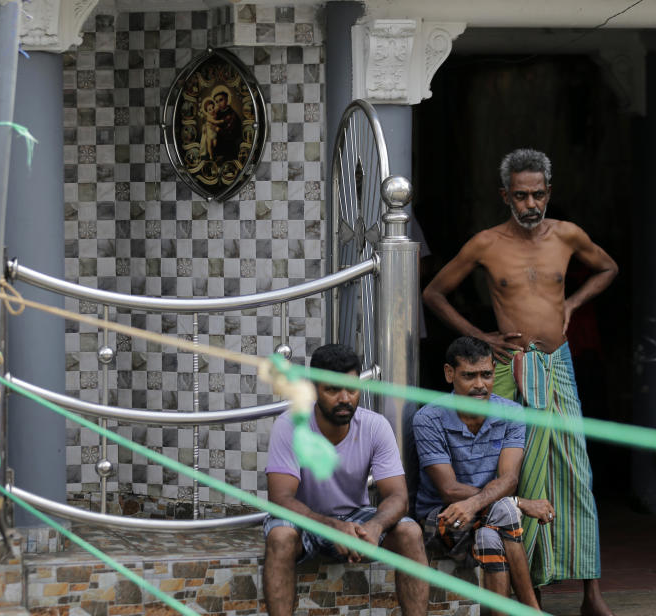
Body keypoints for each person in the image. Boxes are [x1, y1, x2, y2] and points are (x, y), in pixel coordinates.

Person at [422, 148, 618, 615]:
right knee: (516, 471)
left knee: (576, 473)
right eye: (522, 195)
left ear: (549, 193)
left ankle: (592, 594)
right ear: (505, 195)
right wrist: (481, 336)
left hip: (557, 365)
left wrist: (571, 304)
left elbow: (608, 268)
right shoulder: (485, 243)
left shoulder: (567, 235)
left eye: (538, 195)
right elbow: (434, 293)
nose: (531, 204)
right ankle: (532, 586)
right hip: (507, 368)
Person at [262, 344, 429, 616]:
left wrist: (375, 527)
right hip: (305, 520)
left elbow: (398, 496)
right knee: (280, 537)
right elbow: (280, 499)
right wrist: (331, 526)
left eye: (351, 389)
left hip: (355, 517)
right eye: (332, 389)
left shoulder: (375, 426)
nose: (345, 398)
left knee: (410, 532)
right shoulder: (290, 425)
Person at [413, 336, 555, 614]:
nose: (480, 385)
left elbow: (509, 480)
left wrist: (488, 503)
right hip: (441, 515)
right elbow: (450, 491)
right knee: (505, 509)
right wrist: (519, 504)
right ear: (449, 373)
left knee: (491, 535)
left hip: (488, 516)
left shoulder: (511, 413)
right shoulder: (428, 418)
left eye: (486, 375)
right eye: (469, 376)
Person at [211, 85, 242, 162]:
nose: (219, 103)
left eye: (221, 100)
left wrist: (218, 130)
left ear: (227, 99)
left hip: (229, 149)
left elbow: (233, 135)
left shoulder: (233, 115)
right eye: (216, 101)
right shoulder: (216, 114)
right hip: (218, 148)